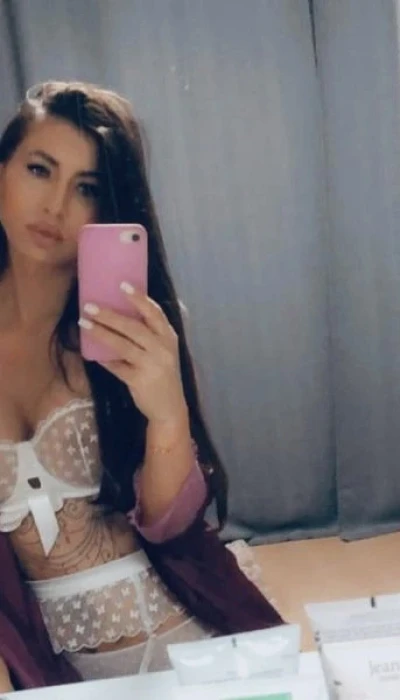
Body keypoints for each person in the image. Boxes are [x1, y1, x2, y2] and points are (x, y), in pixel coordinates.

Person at [0, 81, 283, 691]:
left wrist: (168, 413)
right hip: (56, 672)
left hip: (183, 642)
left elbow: (168, 524)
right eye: (39, 169)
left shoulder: (130, 335)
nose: (55, 205)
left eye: (87, 188)